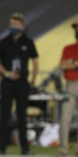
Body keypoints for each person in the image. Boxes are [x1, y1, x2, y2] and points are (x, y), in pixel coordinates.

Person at [0, 13, 39, 154]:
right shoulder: (3, 42)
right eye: (11, 24)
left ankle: (25, 149)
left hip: (22, 83)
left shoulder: (28, 42)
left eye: (16, 25)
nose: (13, 27)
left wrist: (33, 80)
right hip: (7, 82)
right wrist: (6, 73)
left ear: (22, 26)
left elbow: (35, 61)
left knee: (22, 115)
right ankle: (2, 148)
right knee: (4, 114)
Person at [57, 20, 78, 156]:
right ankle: (62, 148)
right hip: (70, 85)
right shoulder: (68, 47)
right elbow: (63, 65)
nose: (77, 31)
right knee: (65, 118)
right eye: (76, 28)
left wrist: (73, 62)